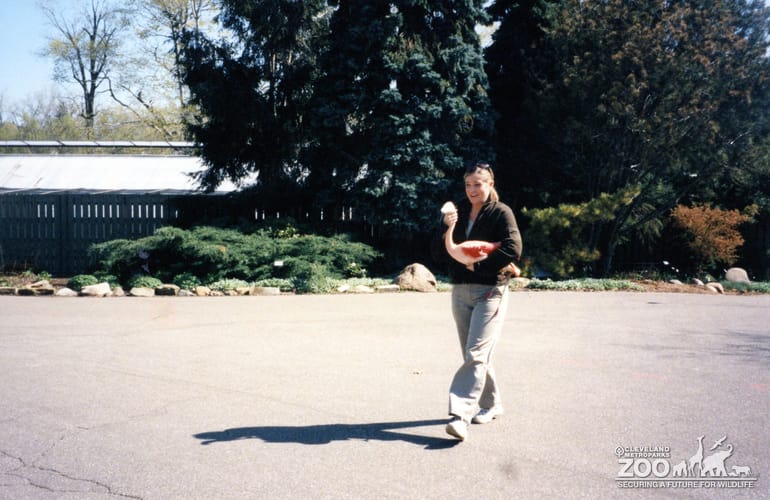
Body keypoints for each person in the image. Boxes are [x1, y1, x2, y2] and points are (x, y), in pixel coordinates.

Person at [432, 162, 522, 441]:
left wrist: (479, 268)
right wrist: (444, 226)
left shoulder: (501, 212)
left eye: (478, 184)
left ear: (490, 184)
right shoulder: (457, 211)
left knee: (475, 354)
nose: (472, 189)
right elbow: (441, 249)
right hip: (460, 290)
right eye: (468, 184)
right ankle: (492, 403)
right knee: (475, 354)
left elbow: (513, 247)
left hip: (490, 292)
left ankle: (460, 416)